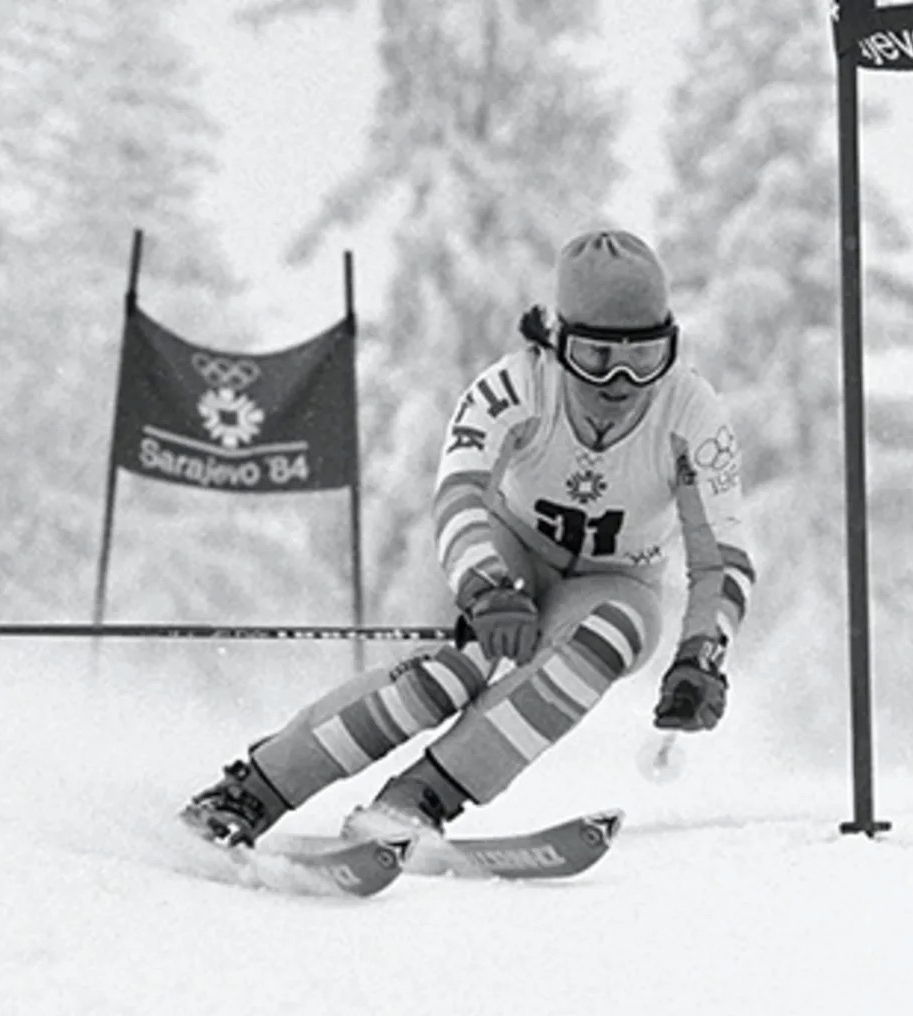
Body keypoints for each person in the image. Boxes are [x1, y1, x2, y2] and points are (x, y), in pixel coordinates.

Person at [180, 229, 756, 847]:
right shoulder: (515, 388)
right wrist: (485, 588)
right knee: (457, 668)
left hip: (617, 580)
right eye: (595, 357)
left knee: (601, 640)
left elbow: (720, 558)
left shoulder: (691, 414)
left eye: (644, 359)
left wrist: (702, 655)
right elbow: (459, 496)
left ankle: (416, 802)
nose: (619, 382)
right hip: (512, 555)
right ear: (558, 343)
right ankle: (254, 788)